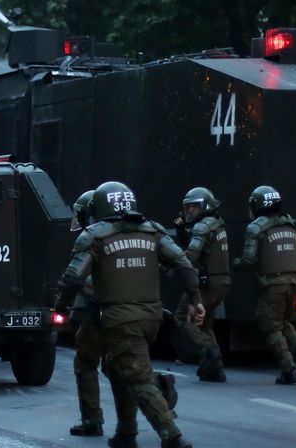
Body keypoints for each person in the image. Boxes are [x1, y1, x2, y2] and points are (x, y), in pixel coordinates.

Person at [57, 181, 200, 448]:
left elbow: (73, 278)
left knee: (136, 376)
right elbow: (183, 264)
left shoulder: (96, 236)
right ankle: (126, 431)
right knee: (118, 368)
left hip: (116, 318)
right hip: (151, 317)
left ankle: (172, 435)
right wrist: (196, 300)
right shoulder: (153, 231)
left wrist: (60, 307)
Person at [232, 185, 296, 385]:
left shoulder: (255, 228)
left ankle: (288, 369)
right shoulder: (292, 223)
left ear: (256, 205)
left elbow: (249, 260)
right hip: (295, 283)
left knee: (271, 327)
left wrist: (236, 264)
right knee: (281, 321)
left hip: (272, 286)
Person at [173, 187, 231, 382]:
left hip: (207, 284)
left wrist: (172, 262)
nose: (190, 212)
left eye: (194, 208)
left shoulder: (202, 226)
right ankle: (216, 370)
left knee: (184, 318)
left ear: (205, 206)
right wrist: (181, 231)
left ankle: (210, 352)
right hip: (222, 283)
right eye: (188, 208)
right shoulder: (217, 224)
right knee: (205, 324)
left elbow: (192, 255)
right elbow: (198, 244)